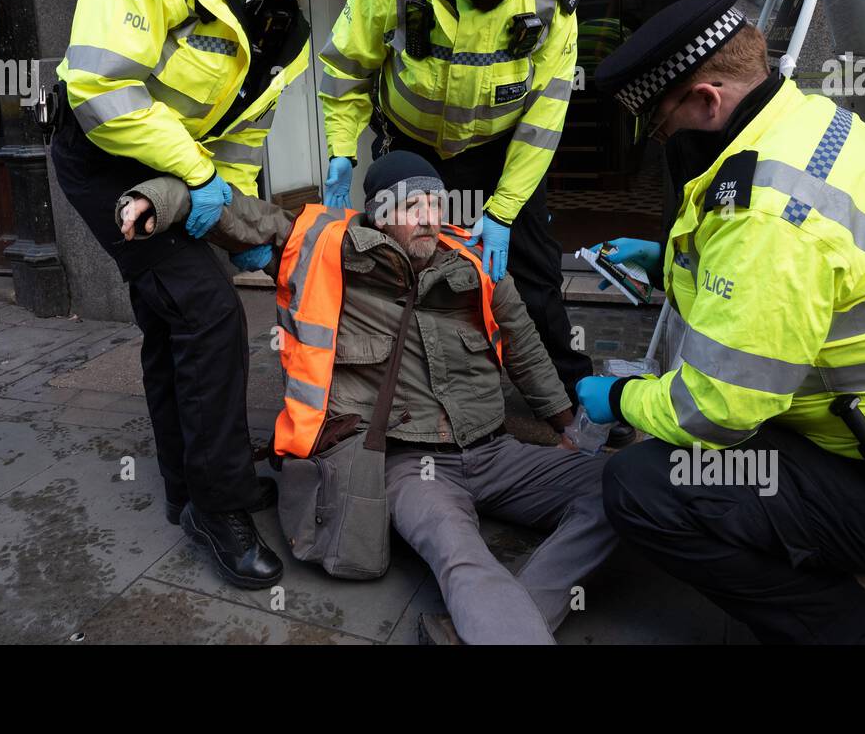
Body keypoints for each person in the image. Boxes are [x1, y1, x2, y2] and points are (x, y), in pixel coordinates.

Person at [577, 0, 865, 644]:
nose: (662, 140)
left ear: (707, 99)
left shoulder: (769, 213)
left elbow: (720, 405)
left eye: (663, 122)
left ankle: (851, 632)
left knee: (641, 485)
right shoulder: (812, 120)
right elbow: (774, 293)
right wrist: (666, 260)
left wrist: (620, 397)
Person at [115, 152, 619, 644]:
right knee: (463, 556)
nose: (427, 218)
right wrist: (156, 199)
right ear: (379, 215)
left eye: (434, 204)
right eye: (410, 206)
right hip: (411, 466)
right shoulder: (325, 249)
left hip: (493, 451)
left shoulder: (476, 261)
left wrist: (566, 427)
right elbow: (233, 208)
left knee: (623, 485)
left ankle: (504, 615)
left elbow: (525, 349)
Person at [50, 0, 356, 590]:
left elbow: (244, 139)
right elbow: (101, 86)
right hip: (100, 160)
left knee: (173, 318)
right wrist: (197, 177)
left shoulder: (284, 27)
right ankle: (219, 508)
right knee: (212, 314)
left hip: (182, 180)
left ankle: (186, 488)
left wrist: (238, 215)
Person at [315, 0, 597, 416]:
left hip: (499, 149)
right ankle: (406, 384)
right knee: (407, 263)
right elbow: (346, 70)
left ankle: (569, 395)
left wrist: (505, 208)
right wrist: (341, 149)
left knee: (533, 271)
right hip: (411, 145)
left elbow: (544, 116)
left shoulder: (548, 0)